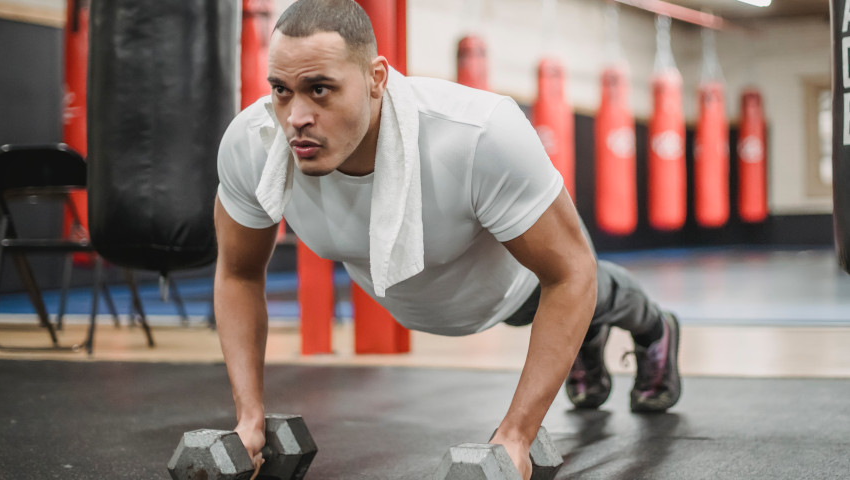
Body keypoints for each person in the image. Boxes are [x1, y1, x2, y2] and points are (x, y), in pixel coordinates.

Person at [213, 0, 681, 478]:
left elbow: (570, 274)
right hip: (421, 298)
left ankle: (654, 330)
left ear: (376, 78)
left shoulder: (477, 134)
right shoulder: (254, 144)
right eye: (281, 90)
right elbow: (237, 272)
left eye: (320, 89)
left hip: (517, 285)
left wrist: (516, 435)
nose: (296, 116)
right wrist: (249, 418)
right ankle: (584, 340)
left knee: (593, 290)